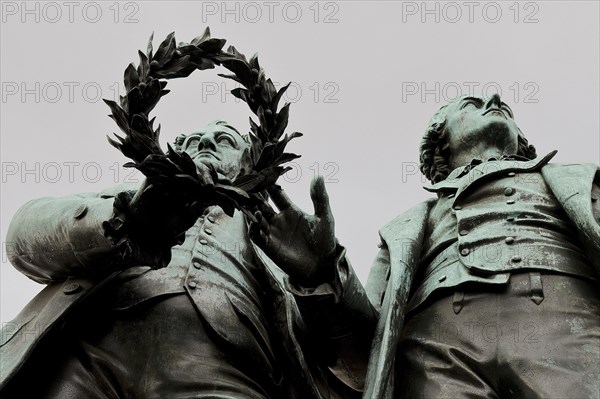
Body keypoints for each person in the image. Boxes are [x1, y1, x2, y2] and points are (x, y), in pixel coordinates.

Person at [256, 93, 600, 398]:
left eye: (505, 108)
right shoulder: (403, 230)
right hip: (435, 355)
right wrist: (323, 270)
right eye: (471, 104)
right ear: (442, 143)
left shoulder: (578, 182)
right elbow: (368, 338)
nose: (495, 99)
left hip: (564, 331)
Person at [0, 120, 375, 399]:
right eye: (193, 140)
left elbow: (363, 362)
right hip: (87, 354)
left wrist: (321, 272)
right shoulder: (123, 198)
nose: (205, 142)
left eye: (223, 139)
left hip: (223, 374)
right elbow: (21, 240)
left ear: (249, 160)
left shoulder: (283, 236)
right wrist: (124, 220)